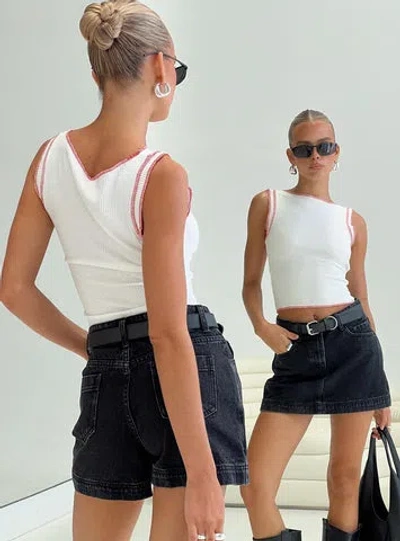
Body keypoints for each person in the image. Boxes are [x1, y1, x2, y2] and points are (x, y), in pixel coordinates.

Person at [0, 1, 247, 540]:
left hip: (107, 370)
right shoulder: (163, 176)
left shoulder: (49, 159)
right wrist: (204, 473)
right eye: (178, 70)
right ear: (161, 67)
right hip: (184, 367)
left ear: (97, 74)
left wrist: (93, 348)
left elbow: (14, 289)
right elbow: (167, 333)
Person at [240, 109, 391, 541]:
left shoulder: (352, 221)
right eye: (304, 149)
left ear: (336, 152)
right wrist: (261, 326)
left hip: (353, 347)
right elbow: (250, 283)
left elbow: (361, 297)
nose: (315, 156)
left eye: (324, 147)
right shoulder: (268, 204)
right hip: (295, 350)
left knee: (344, 478)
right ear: (290, 155)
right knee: (254, 484)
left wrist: (379, 386)